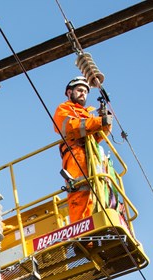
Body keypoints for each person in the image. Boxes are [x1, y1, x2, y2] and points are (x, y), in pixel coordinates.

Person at [53, 76, 113, 224]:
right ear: (69, 92)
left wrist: (105, 120)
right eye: (79, 90)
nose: (83, 94)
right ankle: (81, 231)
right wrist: (98, 121)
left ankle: (94, 228)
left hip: (91, 157)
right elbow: (70, 127)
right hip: (76, 156)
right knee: (80, 193)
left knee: (96, 194)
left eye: (85, 91)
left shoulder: (87, 114)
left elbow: (98, 136)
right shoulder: (64, 109)